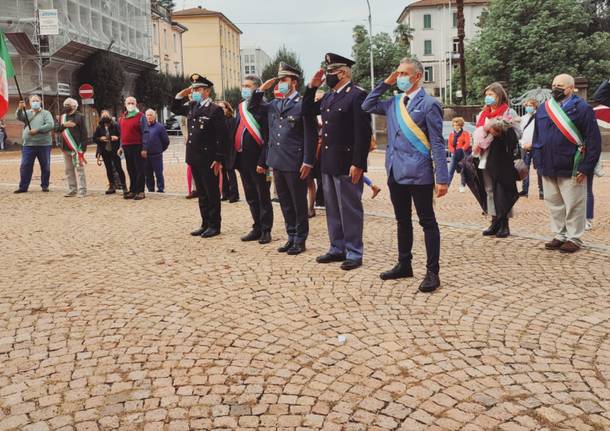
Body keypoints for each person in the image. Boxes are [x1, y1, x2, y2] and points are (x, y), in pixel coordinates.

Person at [362, 58, 449, 292]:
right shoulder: (394, 102)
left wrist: (442, 177)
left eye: (403, 73)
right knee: (402, 220)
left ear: (417, 76)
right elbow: (367, 105)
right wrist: (385, 83)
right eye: (397, 72)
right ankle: (404, 263)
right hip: (395, 171)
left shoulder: (430, 104)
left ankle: (432, 272)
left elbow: (438, 143)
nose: (399, 76)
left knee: (427, 222)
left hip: (419, 173)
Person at [303, 53, 372, 270]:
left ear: (342, 73)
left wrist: (359, 163)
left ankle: (354, 252)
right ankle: (337, 247)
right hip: (329, 161)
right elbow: (306, 111)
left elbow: (363, 132)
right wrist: (312, 88)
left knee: (349, 209)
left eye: (330, 72)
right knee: (332, 208)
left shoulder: (357, 95)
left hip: (347, 161)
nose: (327, 76)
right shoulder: (330, 97)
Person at [249, 62, 317, 255]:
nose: (280, 84)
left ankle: (300, 239)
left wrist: (308, 160)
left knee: (298, 203)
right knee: (285, 203)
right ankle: (291, 236)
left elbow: (310, 134)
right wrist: (262, 89)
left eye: (284, 80)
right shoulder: (275, 104)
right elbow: (253, 107)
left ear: (294, 82)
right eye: (278, 81)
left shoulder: (302, 104)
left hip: (295, 162)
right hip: (277, 161)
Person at [533, 74, 601, 253]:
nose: (556, 88)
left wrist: (586, 167)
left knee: (574, 203)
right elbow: (537, 137)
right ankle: (559, 234)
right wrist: (537, 161)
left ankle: (574, 238)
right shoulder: (544, 108)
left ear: (571, 88)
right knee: (554, 203)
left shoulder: (583, 109)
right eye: (554, 84)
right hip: (547, 163)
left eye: (560, 85)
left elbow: (593, 141)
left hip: (572, 164)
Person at [171, 73, 229, 238]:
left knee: (211, 193)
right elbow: (175, 108)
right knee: (201, 193)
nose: (194, 91)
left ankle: (214, 225)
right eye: (193, 88)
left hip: (208, 158)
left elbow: (222, 137)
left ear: (207, 91)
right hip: (194, 157)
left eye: (198, 88)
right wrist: (179, 95)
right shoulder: (192, 106)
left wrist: (218, 158)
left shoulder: (215, 110)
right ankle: (205, 223)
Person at [229, 75, 273, 244]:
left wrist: (264, 161)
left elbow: (268, 137)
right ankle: (256, 226)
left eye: (247, 85)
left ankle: (266, 229)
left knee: (263, 195)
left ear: (256, 88)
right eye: (243, 85)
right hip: (243, 159)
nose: (244, 88)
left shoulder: (264, 107)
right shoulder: (240, 107)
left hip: (261, 162)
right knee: (251, 196)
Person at [472, 82, 521, 237]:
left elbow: (518, 133)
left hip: (501, 156)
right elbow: (477, 132)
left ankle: (504, 222)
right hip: (485, 155)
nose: (488, 97)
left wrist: (502, 130)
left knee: (502, 189)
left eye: (491, 94)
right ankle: (494, 220)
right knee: (489, 190)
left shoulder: (508, 111)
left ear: (499, 96)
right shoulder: (482, 114)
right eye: (486, 95)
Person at [14, 95, 54, 193]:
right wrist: (19, 108)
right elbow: (18, 117)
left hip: (44, 144)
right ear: (30, 103)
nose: (35, 102)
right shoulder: (27, 113)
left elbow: (50, 125)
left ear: (40, 101)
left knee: (45, 166)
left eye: (37, 100)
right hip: (28, 144)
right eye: (33, 101)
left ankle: (45, 185)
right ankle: (23, 187)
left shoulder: (46, 113)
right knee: (25, 165)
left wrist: (37, 130)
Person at [118, 96, 148, 200]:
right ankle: (133, 190)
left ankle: (140, 191)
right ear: (125, 105)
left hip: (138, 146)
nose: (130, 104)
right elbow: (122, 134)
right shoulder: (122, 118)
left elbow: (145, 132)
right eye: (128, 103)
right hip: (126, 146)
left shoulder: (141, 116)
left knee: (139, 169)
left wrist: (144, 148)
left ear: (136, 104)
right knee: (130, 169)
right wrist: (120, 147)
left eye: (132, 102)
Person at [57, 98, 88, 197]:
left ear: (75, 106)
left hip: (76, 147)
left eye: (68, 104)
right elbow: (57, 129)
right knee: (69, 170)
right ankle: (72, 189)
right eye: (65, 104)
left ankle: (82, 190)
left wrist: (83, 148)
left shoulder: (80, 117)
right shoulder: (63, 117)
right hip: (65, 147)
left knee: (79, 169)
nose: (66, 106)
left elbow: (84, 133)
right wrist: (64, 125)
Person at [94, 110, 126, 195]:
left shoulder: (115, 125)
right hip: (105, 150)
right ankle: (112, 186)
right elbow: (95, 138)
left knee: (118, 168)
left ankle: (124, 186)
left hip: (115, 150)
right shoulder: (99, 127)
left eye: (106, 115)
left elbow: (122, 136)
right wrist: (100, 139)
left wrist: (117, 138)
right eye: (103, 115)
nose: (105, 117)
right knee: (108, 169)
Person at [519, 99, 543, 199]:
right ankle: (525, 190)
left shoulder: (540, 117)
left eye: (530, 105)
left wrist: (534, 144)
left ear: (535, 106)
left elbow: (541, 133)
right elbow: (520, 133)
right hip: (525, 146)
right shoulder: (523, 118)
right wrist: (523, 144)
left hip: (536, 146)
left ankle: (542, 191)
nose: (528, 107)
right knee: (524, 169)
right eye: (527, 105)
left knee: (539, 169)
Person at [216, 100, 240, 203]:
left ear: (228, 109)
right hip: (221, 150)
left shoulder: (232, 120)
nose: (221, 110)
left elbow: (232, 136)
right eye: (219, 108)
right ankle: (225, 193)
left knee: (231, 172)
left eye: (223, 108)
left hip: (230, 149)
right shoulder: (218, 121)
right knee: (223, 172)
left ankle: (234, 195)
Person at [142, 109, 169, 193]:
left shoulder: (160, 127)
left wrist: (160, 149)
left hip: (156, 155)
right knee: (147, 174)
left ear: (154, 116)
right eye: (147, 115)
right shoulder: (143, 127)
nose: (149, 117)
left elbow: (166, 141)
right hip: (145, 155)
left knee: (158, 173)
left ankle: (160, 189)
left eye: (151, 115)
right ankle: (150, 189)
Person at [447, 117, 471, 192]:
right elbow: (449, 145)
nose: (455, 127)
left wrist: (462, 149)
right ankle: (447, 185)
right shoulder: (451, 134)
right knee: (450, 170)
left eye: (457, 125)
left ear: (460, 125)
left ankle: (462, 185)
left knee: (463, 170)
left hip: (463, 154)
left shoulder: (465, 133)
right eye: (454, 125)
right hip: (454, 154)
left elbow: (467, 143)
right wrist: (453, 151)